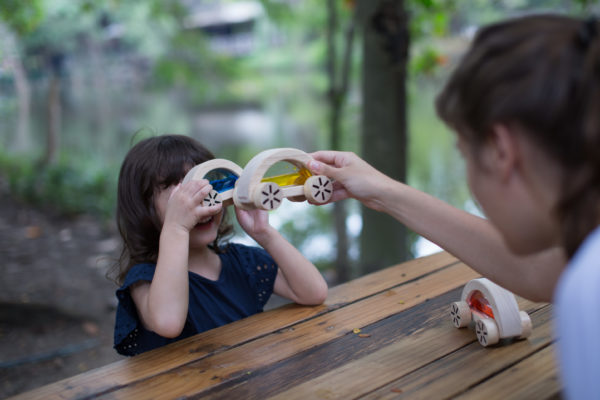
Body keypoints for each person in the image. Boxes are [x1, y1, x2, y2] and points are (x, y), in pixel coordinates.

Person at [306, 14, 599, 400]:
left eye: (465, 155)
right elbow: (543, 270)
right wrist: (383, 192)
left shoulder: (589, 292)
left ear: (500, 151)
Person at [110, 135, 327, 356]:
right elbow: (168, 322)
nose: (204, 201)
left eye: (212, 185)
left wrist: (264, 233)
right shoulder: (146, 278)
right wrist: (177, 228)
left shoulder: (243, 262)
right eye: (183, 196)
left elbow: (313, 293)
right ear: (144, 211)